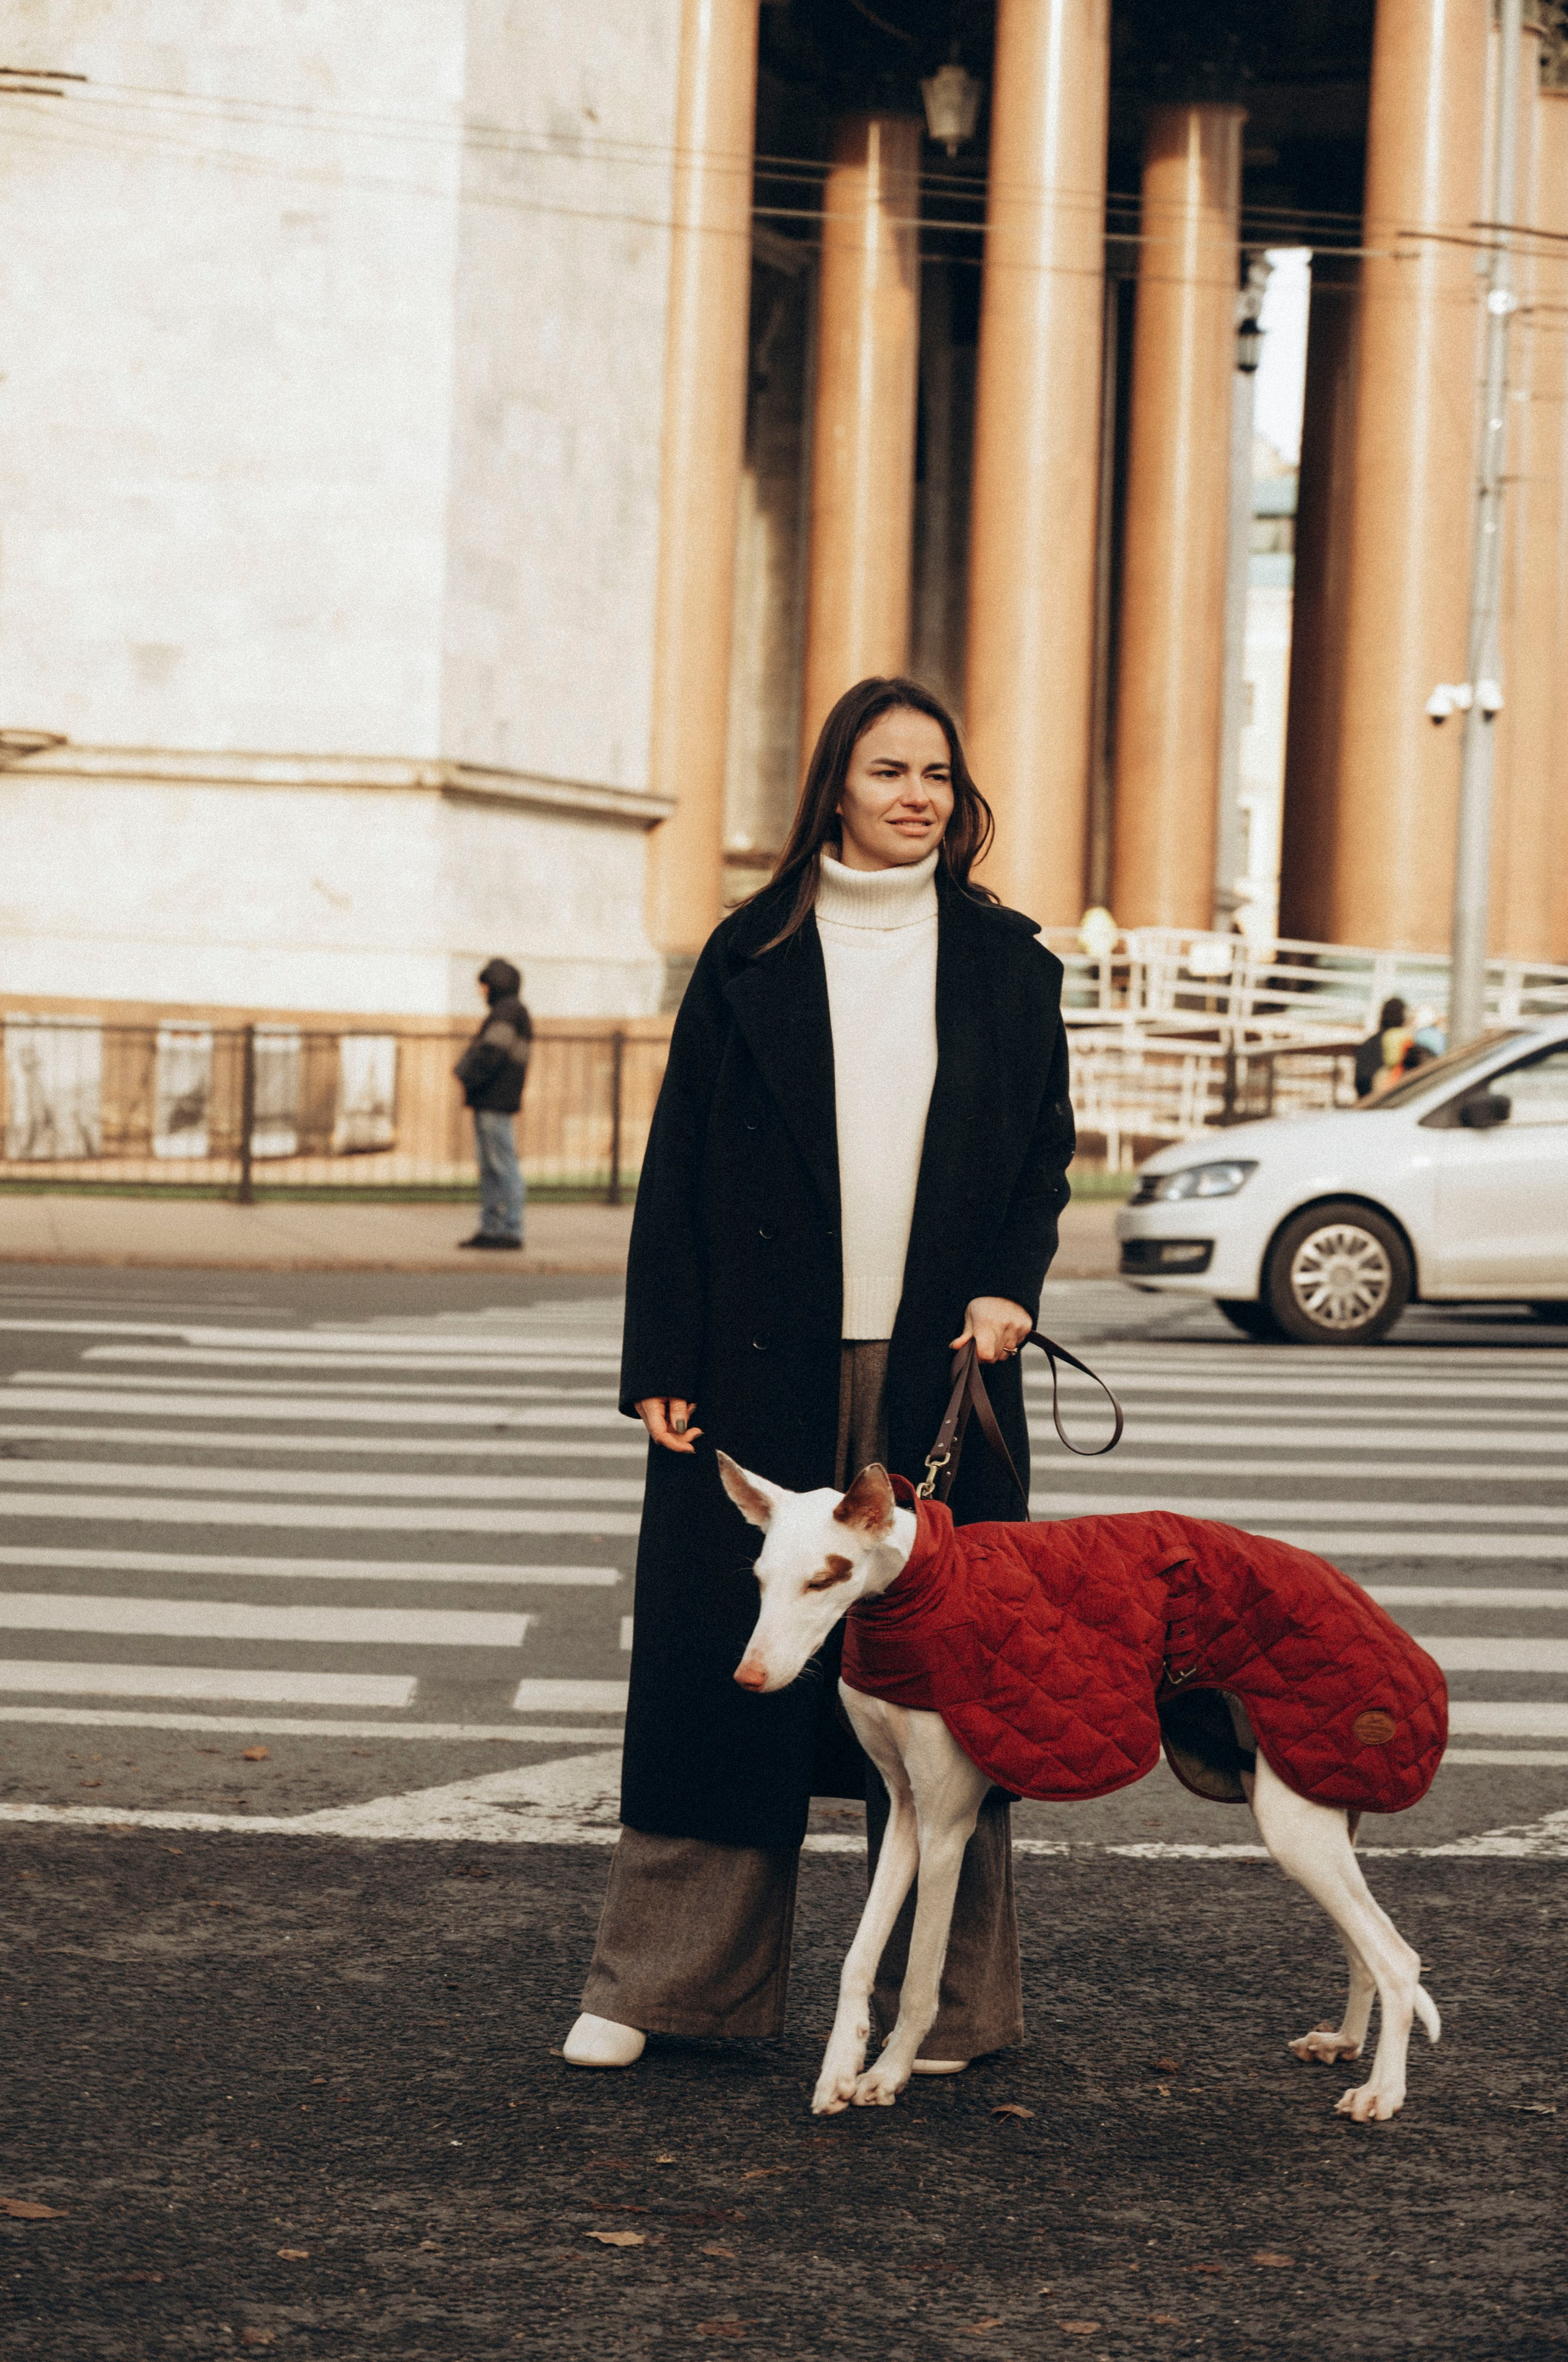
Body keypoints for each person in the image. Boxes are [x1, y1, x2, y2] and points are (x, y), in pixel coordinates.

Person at [564, 675, 1075, 2077]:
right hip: (752, 1359)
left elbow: (1042, 1153)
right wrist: (657, 1356)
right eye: (884, 768)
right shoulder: (745, 954)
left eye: (933, 771)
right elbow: (672, 1172)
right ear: (833, 789)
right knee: (721, 1670)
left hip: (935, 1366)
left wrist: (1007, 1285)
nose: (914, 791)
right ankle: (665, 1982)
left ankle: (950, 2001)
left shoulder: (1008, 964)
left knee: (941, 1677)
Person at [454, 958, 531, 1249]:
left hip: (495, 1099)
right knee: (491, 1166)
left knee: (501, 1165)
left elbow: (491, 1052)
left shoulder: (508, 1012)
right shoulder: (509, 1011)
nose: (481, 992)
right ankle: (493, 1227)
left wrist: (464, 1072)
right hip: (493, 1099)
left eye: (484, 986)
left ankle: (509, 1228)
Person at [1354, 996, 1407, 1100]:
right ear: (1403, 1018)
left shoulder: (1368, 1044)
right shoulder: (1406, 1043)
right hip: (1394, 1100)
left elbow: (1360, 1081)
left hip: (1367, 1102)